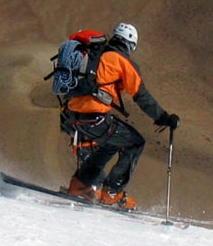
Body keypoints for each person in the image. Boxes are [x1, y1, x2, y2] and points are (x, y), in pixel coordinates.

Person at [63, 22, 179, 210]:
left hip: (73, 116)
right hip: (95, 117)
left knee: (110, 144)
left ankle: (80, 186)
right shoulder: (122, 61)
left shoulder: (96, 54)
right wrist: (164, 117)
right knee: (135, 142)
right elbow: (141, 96)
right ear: (131, 45)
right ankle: (111, 193)